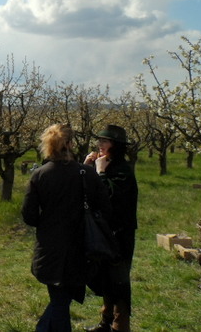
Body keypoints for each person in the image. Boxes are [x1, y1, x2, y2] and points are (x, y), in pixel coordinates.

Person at [22, 124, 112, 332]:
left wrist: (48, 223)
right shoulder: (87, 174)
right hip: (81, 247)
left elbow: (29, 216)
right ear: (70, 144)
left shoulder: (40, 175)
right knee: (62, 300)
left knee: (59, 299)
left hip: (51, 247)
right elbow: (105, 208)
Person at [83, 125, 138, 332]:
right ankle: (105, 322)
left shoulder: (122, 170)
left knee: (120, 281)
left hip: (120, 234)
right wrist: (88, 167)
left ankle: (120, 325)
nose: (100, 145)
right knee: (106, 277)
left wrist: (100, 172)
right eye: (100, 141)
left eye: (105, 142)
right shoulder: (105, 164)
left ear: (115, 146)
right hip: (104, 232)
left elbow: (112, 199)